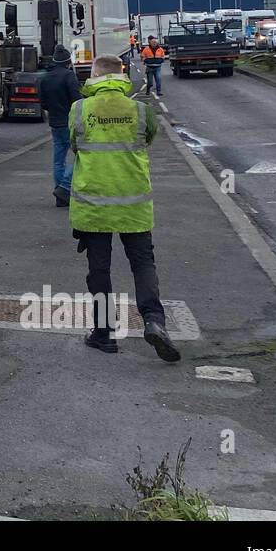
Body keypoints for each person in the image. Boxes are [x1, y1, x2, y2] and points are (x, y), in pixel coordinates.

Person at [69, 55, 180, 362]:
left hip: (94, 205)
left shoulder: (80, 109)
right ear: (121, 75)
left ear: (94, 75)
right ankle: (155, 321)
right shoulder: (141, 110)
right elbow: (149, 139)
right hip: (134, 204)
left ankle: (104, 335)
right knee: (143, 264)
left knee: (99, 270)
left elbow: (74, 145)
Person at [40, 44, 81, 207]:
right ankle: (64, 187)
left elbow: (43, 103)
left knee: (58, 160)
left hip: (55, 122)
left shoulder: (45, 77)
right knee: (83, 156)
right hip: (69, 122)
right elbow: (76, 100)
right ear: (67, 62)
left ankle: (60, 195)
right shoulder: (69, 76)